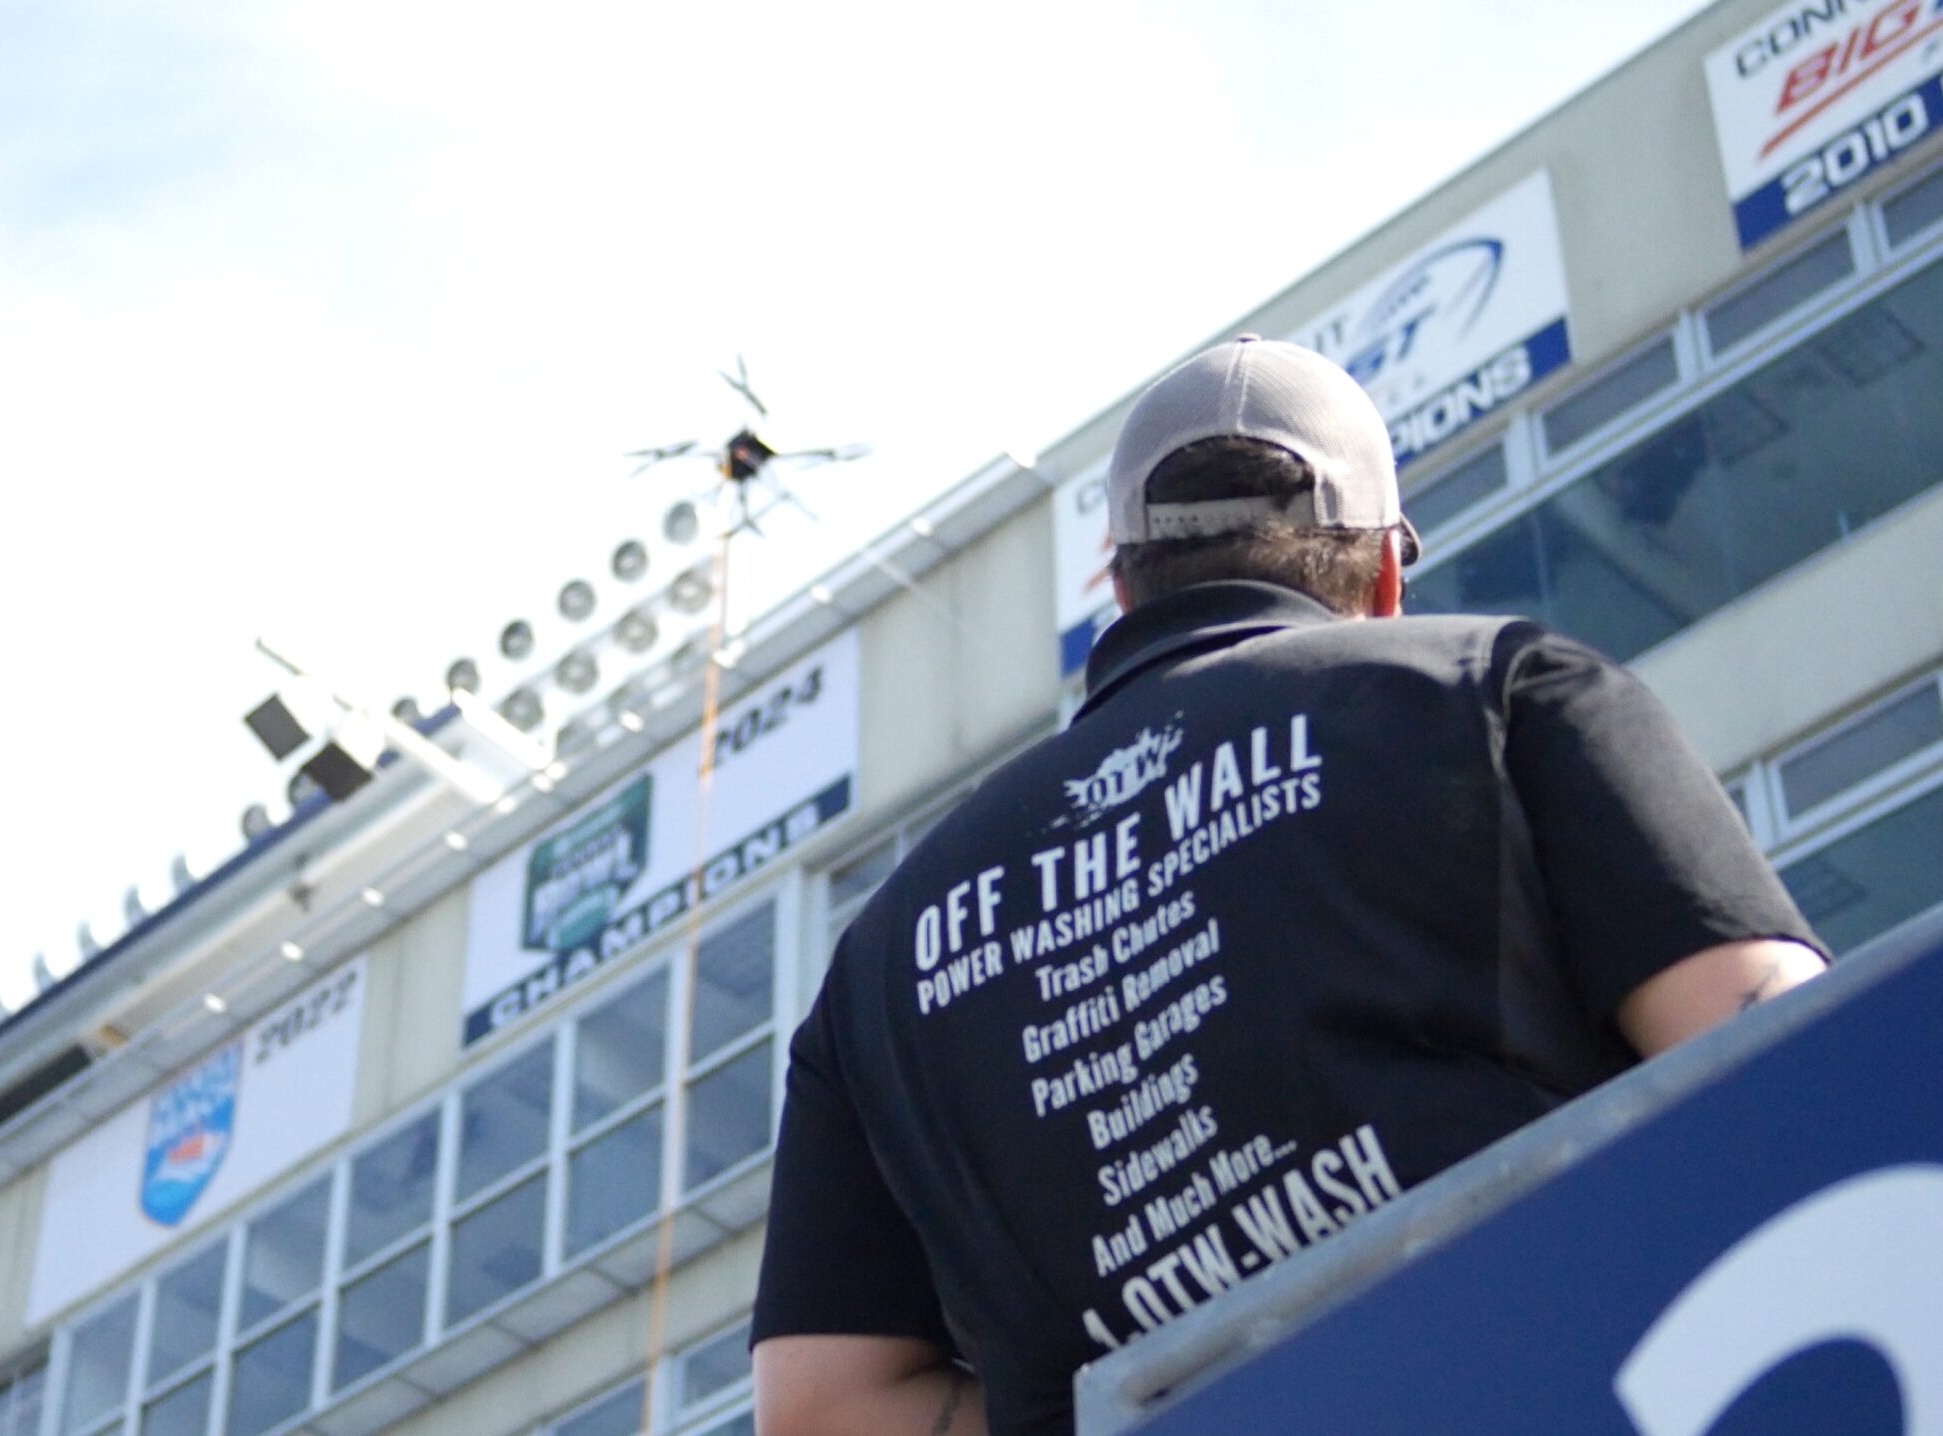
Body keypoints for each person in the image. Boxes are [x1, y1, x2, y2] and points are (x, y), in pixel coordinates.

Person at [748, 336, 1827, 1436]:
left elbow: (819, 1407)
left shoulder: (879, 958)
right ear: (1386, 573)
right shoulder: (1498, 692)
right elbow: (1781, 1056)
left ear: (1122, 588)